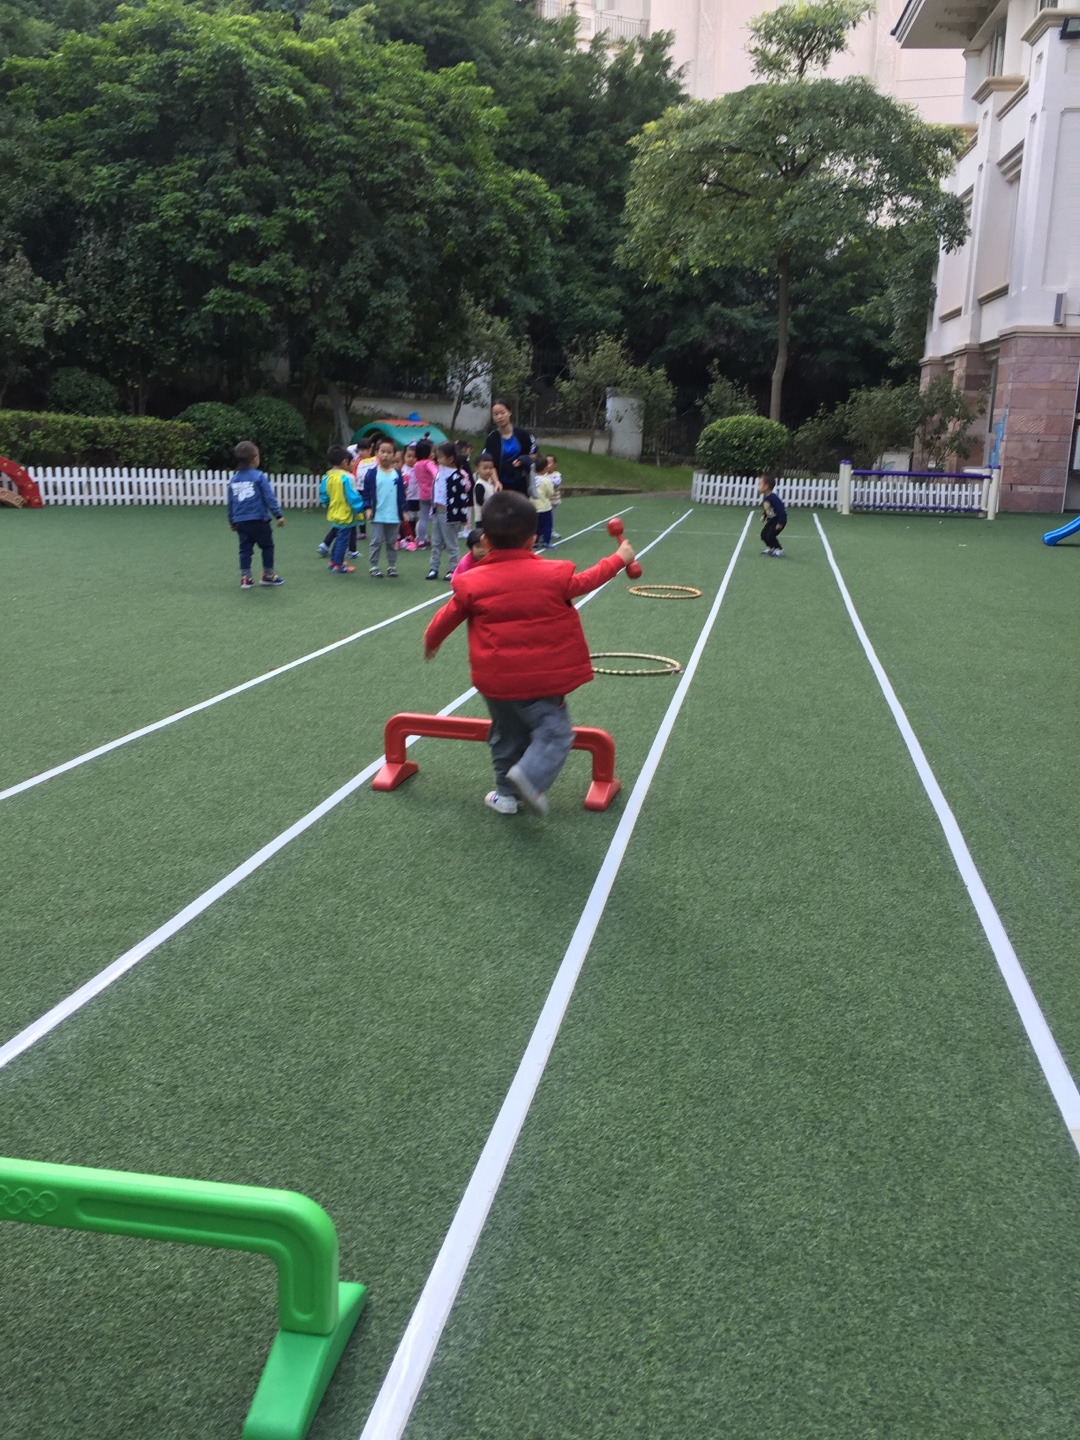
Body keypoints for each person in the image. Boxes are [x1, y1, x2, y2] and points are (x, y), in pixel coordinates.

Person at [423, 490, 636, 817]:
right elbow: (588, 580)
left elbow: (446, 617)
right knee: (555, 734)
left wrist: (431, 640)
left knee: (506, 737)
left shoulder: (471, 582)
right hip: (542, 681)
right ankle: (530, 777)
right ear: (532, 539)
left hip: (495, 682)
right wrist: (619, 558)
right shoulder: (554, 574)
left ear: (486, 542)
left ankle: (505, 796)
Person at [227, 440, 285, 589]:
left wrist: (232, 521)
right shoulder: (259, 477)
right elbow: (269, 497)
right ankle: (268, 575)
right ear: (254, 459)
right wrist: (278, 515)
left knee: (245, 549)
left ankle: (245, 578)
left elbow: (231, 502)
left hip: (241, 521)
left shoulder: (234, 479)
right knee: (267, 546)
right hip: (259, 519)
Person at [318, 439, 370, 558]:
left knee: (338, 537)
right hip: (346, 515)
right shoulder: (346, 478)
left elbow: (324, 496)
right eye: (350, 461)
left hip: (334, 512)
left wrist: (329, 503)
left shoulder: (327, 477)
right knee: (342, 540)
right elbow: (352, 497)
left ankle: (333, 562)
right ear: (344, 462)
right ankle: (338, 563)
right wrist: (363, 507)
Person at [362, 437, 406, 577]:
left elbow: (401, 494)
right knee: (375, 541)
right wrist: (368, 508)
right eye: (382, 451)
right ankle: (373, 566)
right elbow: (366, 494)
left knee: (392, 542)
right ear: (376, 453)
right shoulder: (372, 473)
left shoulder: (397, 474)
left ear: (394, 454)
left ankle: (391, 565)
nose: (385, 455)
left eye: (389, 452)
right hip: (377, 515)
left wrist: (404, 510)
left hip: (393, 515)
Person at [426, 441, 469, 581]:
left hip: (450, 514)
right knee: (436, 542)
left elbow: (462, 498)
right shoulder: (439, 473)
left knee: (451, 544)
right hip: (437, 512)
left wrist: (463, 517)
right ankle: (433, 568)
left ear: (450, 459)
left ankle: (453, 569)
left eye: (440, 457)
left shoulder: (457, 477)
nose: (438, 460)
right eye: (437, 457)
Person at [484, 400, 536, 495]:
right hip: (501, 485)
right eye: (496, 414)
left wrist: (522, 459)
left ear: (509, 412)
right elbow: (490, 464)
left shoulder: (523, 435)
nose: (499, 417)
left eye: (502, 413)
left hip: (521, 483)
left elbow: (534, 455)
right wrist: (496, 482)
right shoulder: (491, 439)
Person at [412, 438, 437, 547]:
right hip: (433, 494)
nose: (433, 453)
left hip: (422, 494)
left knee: (423, 518)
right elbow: (436, 474)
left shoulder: (416, 465)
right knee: (437, 517)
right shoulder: (428, 463)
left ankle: (421, 540)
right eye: (432, 451)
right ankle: (438, 539)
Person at [758, 472, 787, 556]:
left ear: (766, 486)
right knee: (763, 535)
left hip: (778, 520)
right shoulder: (766, 497)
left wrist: (780, 523)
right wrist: (764, 515)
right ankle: (770, 547)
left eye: (760, 484)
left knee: (770, 535)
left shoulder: (774, 498)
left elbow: (781, 510)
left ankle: (779, 549)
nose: (758, 486)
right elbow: (768, 508)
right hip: (771, 520)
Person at [531, 457, 555, 549]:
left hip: (533, 507)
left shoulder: (530, 479)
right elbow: (550, 493)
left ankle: (535, 541)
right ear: (545, 468)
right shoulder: (546, 480)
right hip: (545, 507)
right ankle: (546, 541)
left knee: (535, 525)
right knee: (547, 525)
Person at [470, 451, 498, 528]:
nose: (488, 471)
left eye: (490, 468)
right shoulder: (480, 484)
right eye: (485, 468)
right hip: (482, 519)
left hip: (490, 517)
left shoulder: (489, 482)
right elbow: (479, 501)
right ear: (477, 469)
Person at [546, 452, 563, 540]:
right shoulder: (542, 475)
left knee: (551, 517)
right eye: (545, 462)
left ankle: (551, 531)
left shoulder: (557, 475)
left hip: (553, 500)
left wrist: (546, 481)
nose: (547, 465)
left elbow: (556, 483)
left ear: (554, 465)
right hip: (544, 501)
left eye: (549, 462)